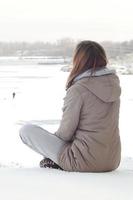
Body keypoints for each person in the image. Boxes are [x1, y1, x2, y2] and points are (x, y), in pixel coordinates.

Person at [19, 40, 121, 172]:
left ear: (79, 60)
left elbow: (65, 134)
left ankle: (60, 162)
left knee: (26, 131)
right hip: (112, 161)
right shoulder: (114, 86)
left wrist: (51, 149)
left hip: (83, 162)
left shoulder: (78, 89)